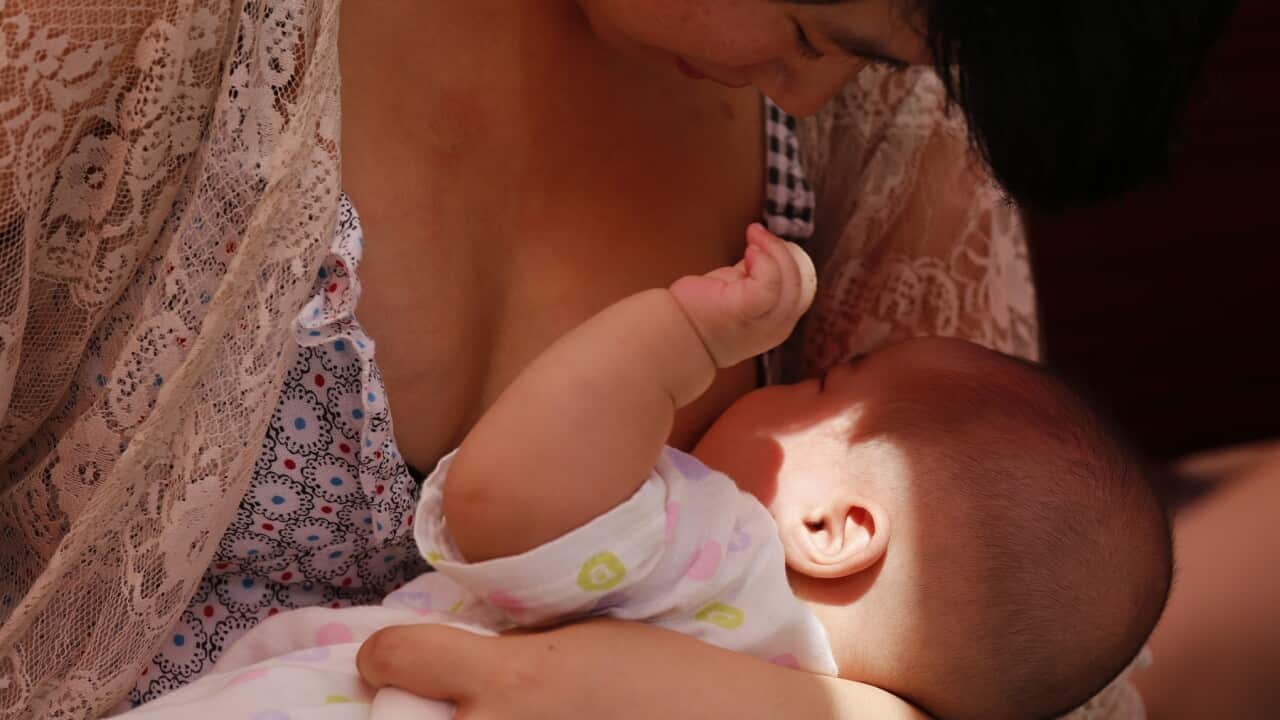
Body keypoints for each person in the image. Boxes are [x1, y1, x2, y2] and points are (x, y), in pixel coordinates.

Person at [0, 1, 1231, 718]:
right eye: (814, 22)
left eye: (874, 54)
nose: (815, 81)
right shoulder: (117, 39)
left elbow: (1009, 632)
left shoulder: (876, 109)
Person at [120, 228, 1168, 720]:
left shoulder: (724, 560)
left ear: (834, 527)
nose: (781, 383)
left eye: (818, 390)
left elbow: (507, 506)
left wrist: (675, 341)